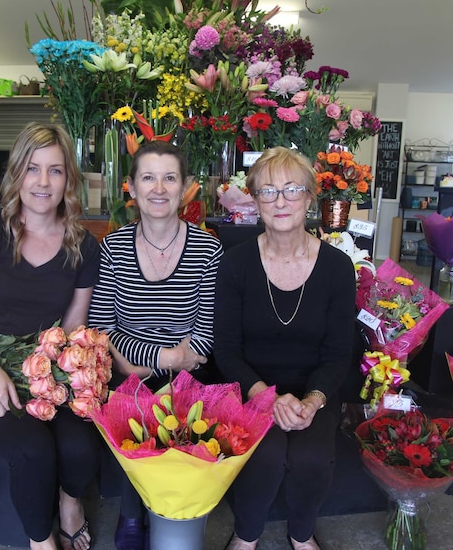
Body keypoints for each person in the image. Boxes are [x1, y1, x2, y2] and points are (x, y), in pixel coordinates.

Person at [0, 123, 101, 550]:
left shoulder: (82, 246)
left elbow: (72, 327)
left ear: (68, 179)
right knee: (33, 451)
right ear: (16, 173)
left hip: (48, 373)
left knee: (81, 447)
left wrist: (65, 380)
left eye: (55, 171)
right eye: (33, 169)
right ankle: (42, 541)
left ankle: (71, 505)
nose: (43, 182)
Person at [214, 147, 356, 550]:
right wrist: (265, 397)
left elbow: (336, 354)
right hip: (250, 388)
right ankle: (246, 535)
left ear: (311, 197)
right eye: (268, 191)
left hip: (315, 388)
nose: (280, 201)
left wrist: (311, 402)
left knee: (313, 458)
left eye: (292, 189)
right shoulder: (236, 264)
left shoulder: (336, 268)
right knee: (264, 456)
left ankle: (301, 533)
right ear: (254, 200)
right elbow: (226, 350)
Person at [88, 140, 223, 550]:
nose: (158, 188)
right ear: (131, 186)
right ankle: (132, 512)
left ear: (185, 189)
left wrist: (152, 364)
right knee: (134, 405)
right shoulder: (113, 247)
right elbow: (101, 326)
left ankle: (173, 510)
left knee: (172, 409)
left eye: (169, 178)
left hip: (188, 376)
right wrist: (163, 357)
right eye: (148, 178)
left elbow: (205, 336)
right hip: (125, 370)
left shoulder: (208, 250)